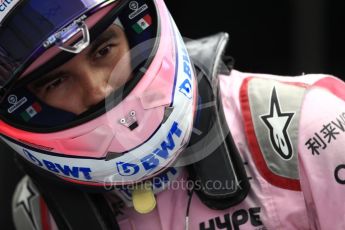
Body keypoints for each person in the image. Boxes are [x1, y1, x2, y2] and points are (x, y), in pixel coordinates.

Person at [1, 0, 345, 229]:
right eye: (57, 81)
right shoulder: (39, 212)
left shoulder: (311, 124)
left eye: (104, 50)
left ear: (140, 32)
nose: (97, 90)